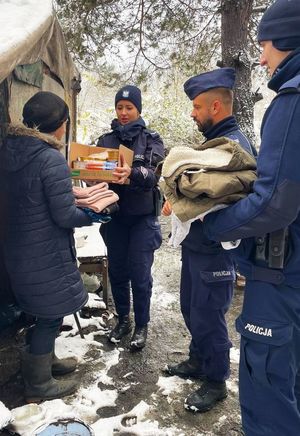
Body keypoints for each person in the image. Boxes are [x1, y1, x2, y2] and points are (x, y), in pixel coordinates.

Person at [202, 0, 300, 434]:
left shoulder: (292, 100)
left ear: (287, 38)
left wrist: (213, 227)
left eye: (265, 44)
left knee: (268, 384)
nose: (260, 57)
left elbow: (275, 202)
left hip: (283, 272)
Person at [163, 67, 256, 413]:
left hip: (214, 251)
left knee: (208, 315)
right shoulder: (217, 143)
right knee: (192, 308)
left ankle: (216, 381)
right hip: (197, 247)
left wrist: (214, 231)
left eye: (197, 107)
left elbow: (240, 200)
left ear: (216, 107)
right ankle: (199, 360)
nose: (192, 113)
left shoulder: (234, 148)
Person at [0, 91, 93, 403]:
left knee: (41, 313)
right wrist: (96, 213)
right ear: (59, 125)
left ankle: (47, 361)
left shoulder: (8, 150)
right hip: (44, 254)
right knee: (50, 316)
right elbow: (65, 215)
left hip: (17, 252)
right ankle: (39, 383)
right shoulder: (49, 157)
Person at [97, 85, 165, 351]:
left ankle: (142, 325)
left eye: (129, 108)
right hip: (114, 218)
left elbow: (155, 174)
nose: (123, 113)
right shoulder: (105, 140)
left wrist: (133, 174)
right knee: (118, 270)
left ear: (138, 109)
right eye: (119, 107)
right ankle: (123, 319)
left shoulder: (151, 139)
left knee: (139, 272)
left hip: (142, 218)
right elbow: (94, 171)